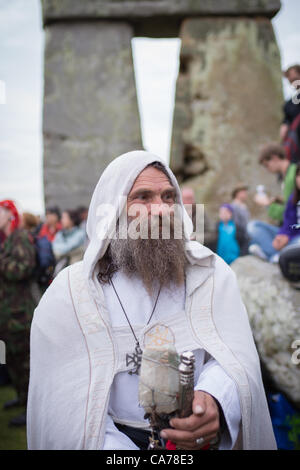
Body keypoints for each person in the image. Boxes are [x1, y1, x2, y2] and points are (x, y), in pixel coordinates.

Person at [27, 150, 276, 450]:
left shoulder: (210, 276)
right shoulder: (70, 294)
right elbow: (66, 409)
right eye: (143, 197)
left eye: (168, 197)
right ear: (113, 211)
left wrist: (214, 400)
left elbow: (235, 359)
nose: (161, 210)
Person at [0, 200, 36, 426]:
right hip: (8, 312)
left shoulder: (19, 237)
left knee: (25, 362)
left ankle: (30, 407)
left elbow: (24, 268)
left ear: (9, 215)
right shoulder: (7, 240)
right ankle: (22, 399)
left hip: (19, 313)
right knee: (12, 359)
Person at [249, 163, 300, 263]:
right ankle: (275, 255)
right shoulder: (293, 197)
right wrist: (281, 235)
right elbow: (288, 222)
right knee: (253, 226)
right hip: (290, 238)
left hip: (296, 240)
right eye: (298, 175)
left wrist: (288, 237)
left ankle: (272, 255)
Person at [253, 143, 297, 224]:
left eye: (266, 165)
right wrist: (280, 201)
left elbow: (290, 213)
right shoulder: (288, 175)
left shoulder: (293, 175)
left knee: (254, 226)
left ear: (275, 158)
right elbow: (291, 204)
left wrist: (267, 204)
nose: (267, 169)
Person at [280, 65, 300, 164]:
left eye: (295, 79)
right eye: (291, 81)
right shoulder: (290, 103)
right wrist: (285, 124)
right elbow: (287, 117)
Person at [231, 184, 250, 255]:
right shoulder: (234, 206)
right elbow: (236, 223)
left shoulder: (244, 205)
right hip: (240, 236)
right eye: (243, 192)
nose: (245, 194)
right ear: (237, 193)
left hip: (246, 235)